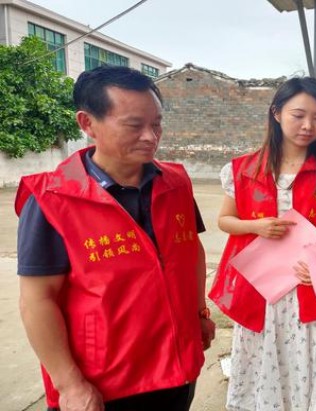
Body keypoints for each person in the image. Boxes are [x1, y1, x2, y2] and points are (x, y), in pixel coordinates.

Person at [15, 65, 215, 411]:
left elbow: (191, 252)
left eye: (156, 124)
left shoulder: (176, 184)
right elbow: (37, 301)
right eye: (134, 125)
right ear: (87, 123)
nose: (150, 137)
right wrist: (70, 384)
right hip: (105, 384)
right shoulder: (52, 199)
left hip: (178, 367)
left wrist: (199, 312)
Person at [209, 77, 316, 410]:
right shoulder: (243, 169)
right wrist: (255, 226)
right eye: (298, 115)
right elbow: (225, 220)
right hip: (263, 289)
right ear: (276, 113)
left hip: (314, 287)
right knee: (261, 368)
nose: (308, 126)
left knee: (310, 369)